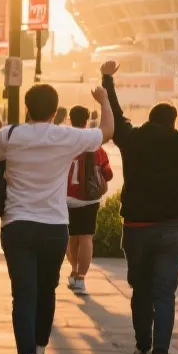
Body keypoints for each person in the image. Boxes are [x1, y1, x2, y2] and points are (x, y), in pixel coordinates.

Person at [0, 84, 114, 354]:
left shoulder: (10, 136)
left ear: (27, 106)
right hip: (54, 226)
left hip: (17, 226)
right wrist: (104, 98)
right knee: (46, 291)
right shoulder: (66, 136)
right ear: (55, 112)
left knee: (23, 294)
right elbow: (107, 130)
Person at [101, 60, 178, 354]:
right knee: (164, 294)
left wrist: (107, 80)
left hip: (137, 228)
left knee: (141, 291)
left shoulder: (132, 139)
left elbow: (117, 117)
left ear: (149, 119)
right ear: (172, 123)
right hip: (171, 228)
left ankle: (142, 350)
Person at [65, 105, 114, 295]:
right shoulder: (95, 145)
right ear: (87, 120)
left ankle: (74, 270)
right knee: (86, 238)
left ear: (70, 118)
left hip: (67, 197)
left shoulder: (65, 141)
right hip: (89, 199)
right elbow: (107, 174)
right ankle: (81, 279)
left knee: (71, 237)